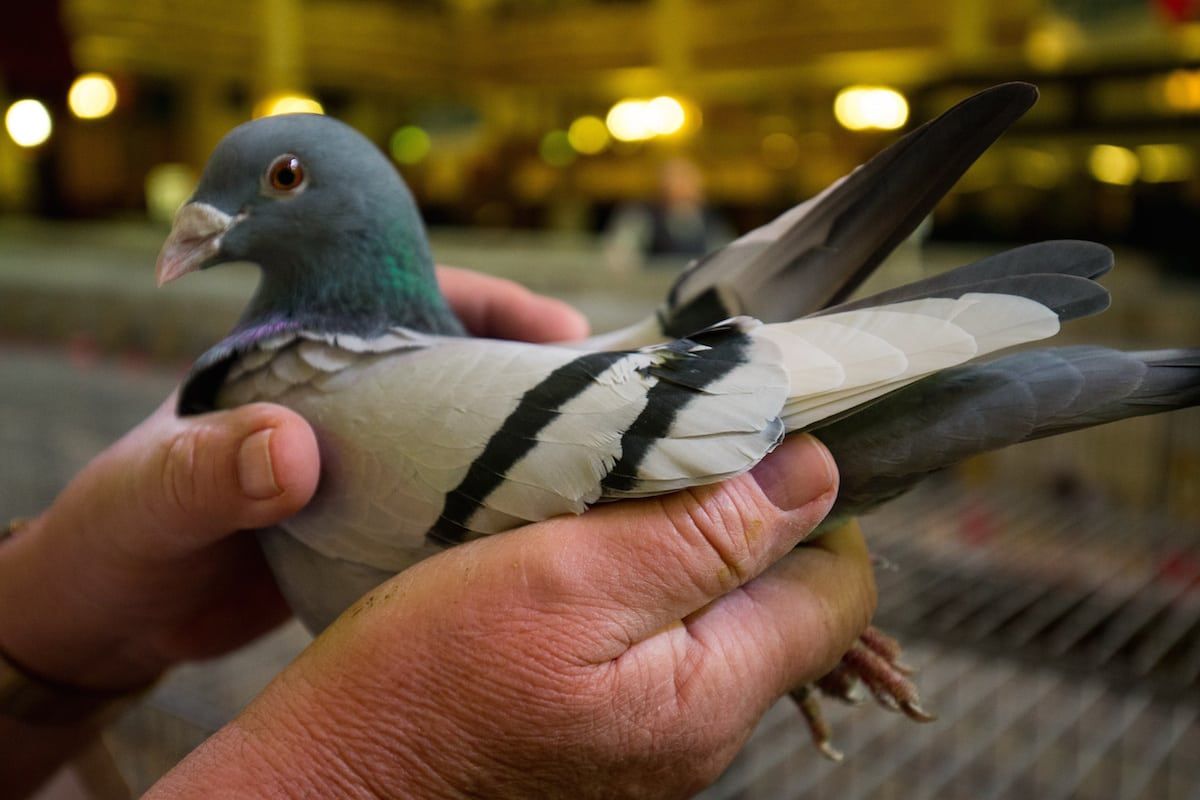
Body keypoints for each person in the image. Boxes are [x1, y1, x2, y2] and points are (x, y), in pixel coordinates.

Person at [0, 267, 875, 799]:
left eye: (282, 181)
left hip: (714, 407)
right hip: (682, 407)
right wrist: (371, 775)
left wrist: (47, 633)